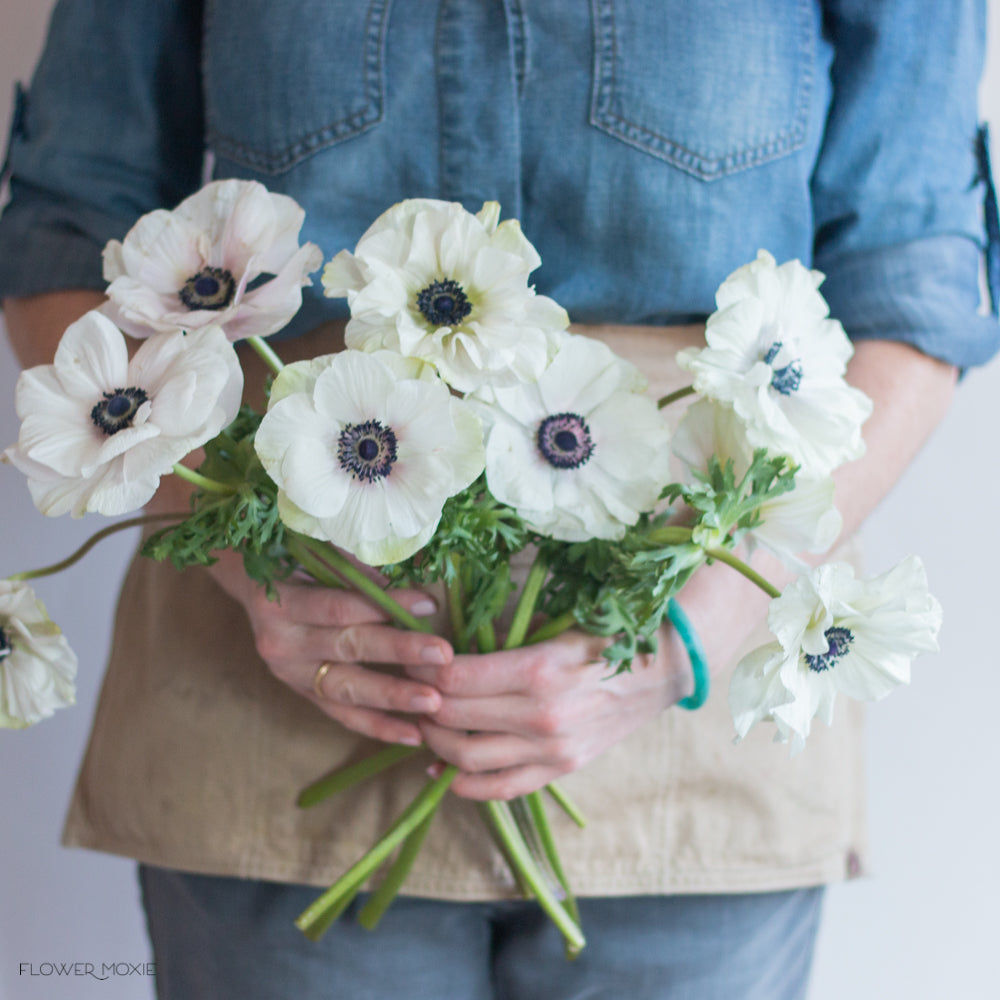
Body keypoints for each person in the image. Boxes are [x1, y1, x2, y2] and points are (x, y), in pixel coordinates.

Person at [1, 2, 997, 998]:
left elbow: (915, 281)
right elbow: (61, 233)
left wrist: (693, 631)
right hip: (265, 687)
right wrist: (239, 552)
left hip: (698, 709)